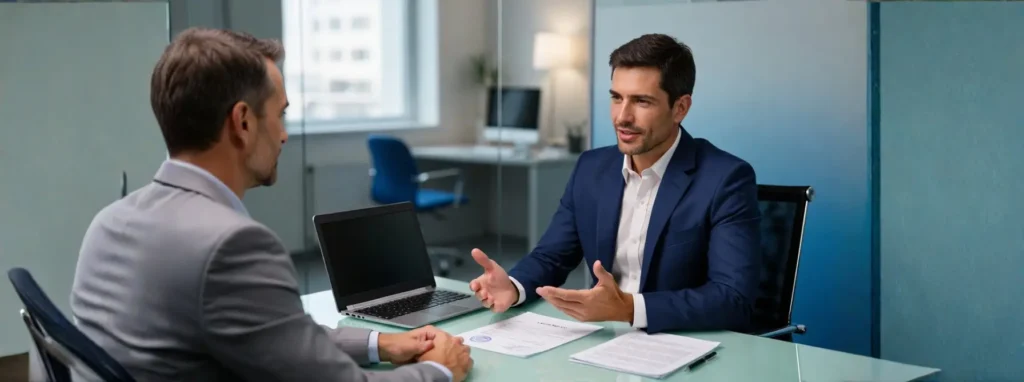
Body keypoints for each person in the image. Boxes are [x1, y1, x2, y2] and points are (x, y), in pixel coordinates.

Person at [69, 28, 472, 382]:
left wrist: (380, 343)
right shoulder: (230, 245)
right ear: (243, 122)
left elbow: (274, 334)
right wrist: (439, 370)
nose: (283, 135)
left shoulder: (110, 221)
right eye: (280, 114)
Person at [469, 33, 762, 334]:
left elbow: (733, 299)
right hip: (605, 338)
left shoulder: (725, 179)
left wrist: (629, 309)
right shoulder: (591, 168)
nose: (622, 117)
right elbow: (552, 256)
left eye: (642, 101)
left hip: (683, 342)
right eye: (616, 98)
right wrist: (514, 286)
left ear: (680, 108)